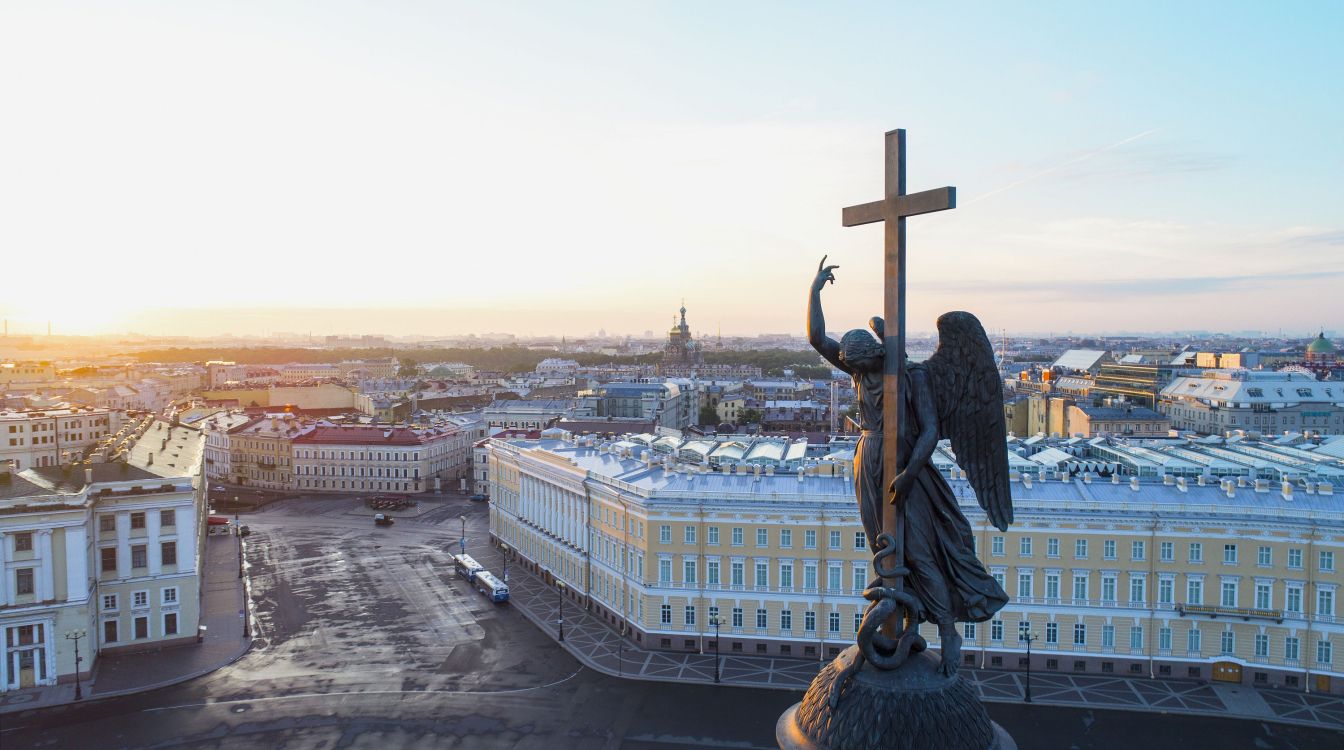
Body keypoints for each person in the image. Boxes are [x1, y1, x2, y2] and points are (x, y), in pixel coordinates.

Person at [808, 256, 1006, 675]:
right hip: (869, 462)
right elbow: (817, 338)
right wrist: (815, 290)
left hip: (907, 469)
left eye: (860, 368)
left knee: (918, 552)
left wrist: (909, 474)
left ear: (875, 357)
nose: (855, 376)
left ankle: (948, 630)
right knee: (882, 546)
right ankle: (896, 621)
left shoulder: (913, 377)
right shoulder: (860, 369)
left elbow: (931, 431)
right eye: (852, 370)